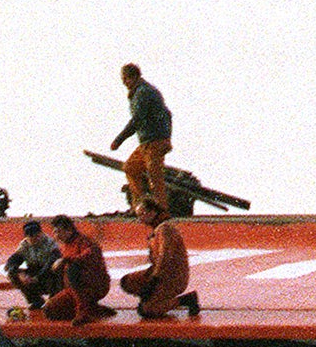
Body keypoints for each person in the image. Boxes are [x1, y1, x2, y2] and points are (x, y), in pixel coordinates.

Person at [119, 197, 200, 319]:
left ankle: (185, 300)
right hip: (161, 273)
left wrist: (154, 278)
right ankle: (153, 298)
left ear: (152, 212)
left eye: (142, 214)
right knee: (127, 281)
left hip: (171, 277)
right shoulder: (159, 229)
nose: (140, 219)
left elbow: (164, 257)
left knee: (148, 310)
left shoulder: (165, 229)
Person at [109, 63, 174, 212]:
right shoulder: (139, 92)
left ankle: (161, 210)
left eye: (125, 79)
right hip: (147, 141)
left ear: (133, 77)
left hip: (155, 141)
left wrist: (119, 139)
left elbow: (137, 119)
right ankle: (140, 206)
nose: (124, 83)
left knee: (154, 176)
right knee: (131, 168)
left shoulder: (143, 92)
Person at [41, 215, 114, 324]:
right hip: (73, 289)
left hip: (93, 284)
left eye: (58, 231)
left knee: (73, 268)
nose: (56, 235)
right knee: (50, 310)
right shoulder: (63, 246)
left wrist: (66, 260)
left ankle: (83, 311)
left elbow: (88, 255)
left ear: (69, 230)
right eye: (55, 232)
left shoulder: (85, 242)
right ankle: (92, 309)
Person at [2, 219, 62, 308]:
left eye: (36, 235)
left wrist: (37, 278)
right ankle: (35, 300)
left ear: (40, 233)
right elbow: (12, 262)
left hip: (48, 274)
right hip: (33, 271)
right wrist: (19, 273)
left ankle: (54, 299)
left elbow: (51, 262)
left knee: (58, 271)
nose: (34, 239)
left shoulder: (51, 244)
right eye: (30, 236)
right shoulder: (24, 245)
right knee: (12, 274)